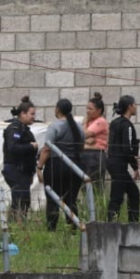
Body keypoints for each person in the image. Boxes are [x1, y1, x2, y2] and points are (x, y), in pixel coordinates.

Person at [36, 99, 84, 231]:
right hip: (75, 166)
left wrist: (39, 167)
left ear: (57, 109)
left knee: (53, 199)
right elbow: (82, 146)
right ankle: (73, 228)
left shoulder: (55, 126)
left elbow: (47, 148)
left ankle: (51, 229)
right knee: (71, 200)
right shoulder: (78, 127)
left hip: (56, 166)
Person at [2, 96, 38, 220]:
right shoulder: (14, 128)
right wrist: (30, 146)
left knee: (24, 202)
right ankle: (14, 227)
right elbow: (12, 147)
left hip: (23, 172)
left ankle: (18, 226)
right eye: (31, 114)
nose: (34, 117)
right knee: (19, 201)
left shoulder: (24, 129)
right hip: (15, 170)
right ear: (23, 114)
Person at [106, 95, 140, 222]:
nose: (136, 107)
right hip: (119, 165)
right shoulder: (128, 126)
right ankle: (115, 224)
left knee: (131, 193)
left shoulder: (115, 123)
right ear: (130, 107)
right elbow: (128, 148)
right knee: (118, 196)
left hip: (112, 162)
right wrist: (135, 166)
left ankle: (124, 222)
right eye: (135, 104)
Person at [82, 92, 108, 191]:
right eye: (87, 108)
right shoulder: (91, 121)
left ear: (99, 110)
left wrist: (84, 123)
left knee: (94, 186)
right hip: (87, 154)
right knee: (85, 186)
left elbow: (83, 135)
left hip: (95, 156)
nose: (87, 112)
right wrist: (88, 140)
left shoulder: (100, 121)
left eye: (90, 109)